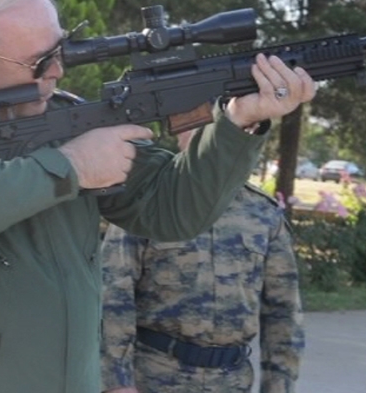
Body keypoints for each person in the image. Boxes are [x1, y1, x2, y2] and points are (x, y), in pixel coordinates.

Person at [0, 0, 316, 393]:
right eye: (39, 61)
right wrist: (71, 167)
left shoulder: (59, 119)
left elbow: (174, 209)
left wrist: (237, 123)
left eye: (61, 52)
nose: (57, 71)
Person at [100, 127, 304, 393]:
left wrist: (279, 387)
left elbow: (283, 312)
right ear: (179, 135)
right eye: (196, 128)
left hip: (232, 381)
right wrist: (117, 382)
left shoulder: (263, 213)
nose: (208, 139)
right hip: (154, 377)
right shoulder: (149, 203)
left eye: (216, 128)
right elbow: (113, 295)